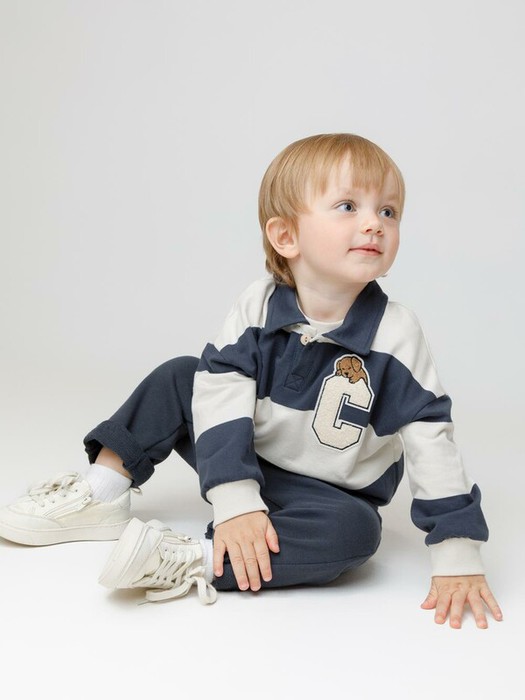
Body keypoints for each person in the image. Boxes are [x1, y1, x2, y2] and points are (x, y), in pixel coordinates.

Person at [0, 133, 503, 627]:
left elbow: (431, 439)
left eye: (389, 212)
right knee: (183, 376)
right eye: (348, 207)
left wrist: (457, 553)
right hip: (242, 452)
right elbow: (220, 394)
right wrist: (236, 498)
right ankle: (103, 491)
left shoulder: (397, 333)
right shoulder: (257, 305)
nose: (375, 223)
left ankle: (195, 559)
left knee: (355, 533)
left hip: (329, 494)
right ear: (286, 237)